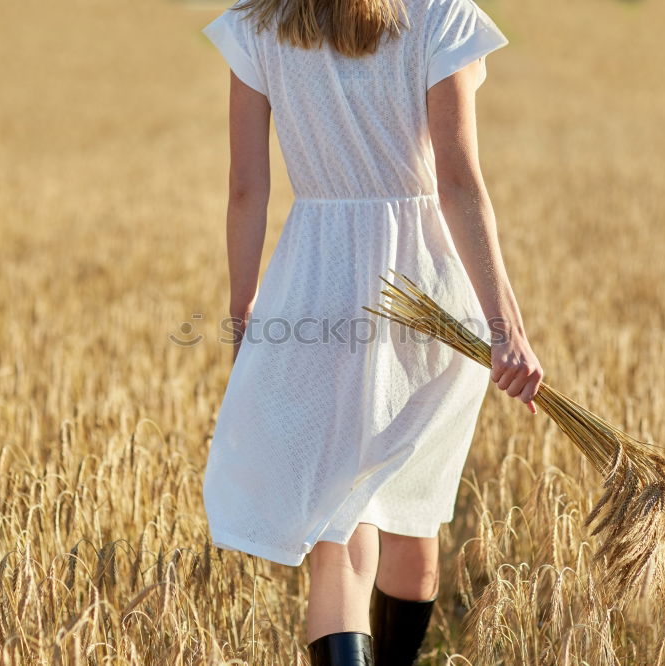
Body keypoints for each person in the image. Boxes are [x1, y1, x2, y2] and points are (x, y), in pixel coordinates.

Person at [201, 0, 542, 662]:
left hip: (315, 282)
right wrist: (505, 326)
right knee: (413, 516)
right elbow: (460, 183)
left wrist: (245, 309)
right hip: (430, 292)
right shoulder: (443, 15)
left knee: (340, 523)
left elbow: (247, 187)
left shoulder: (260, 23)